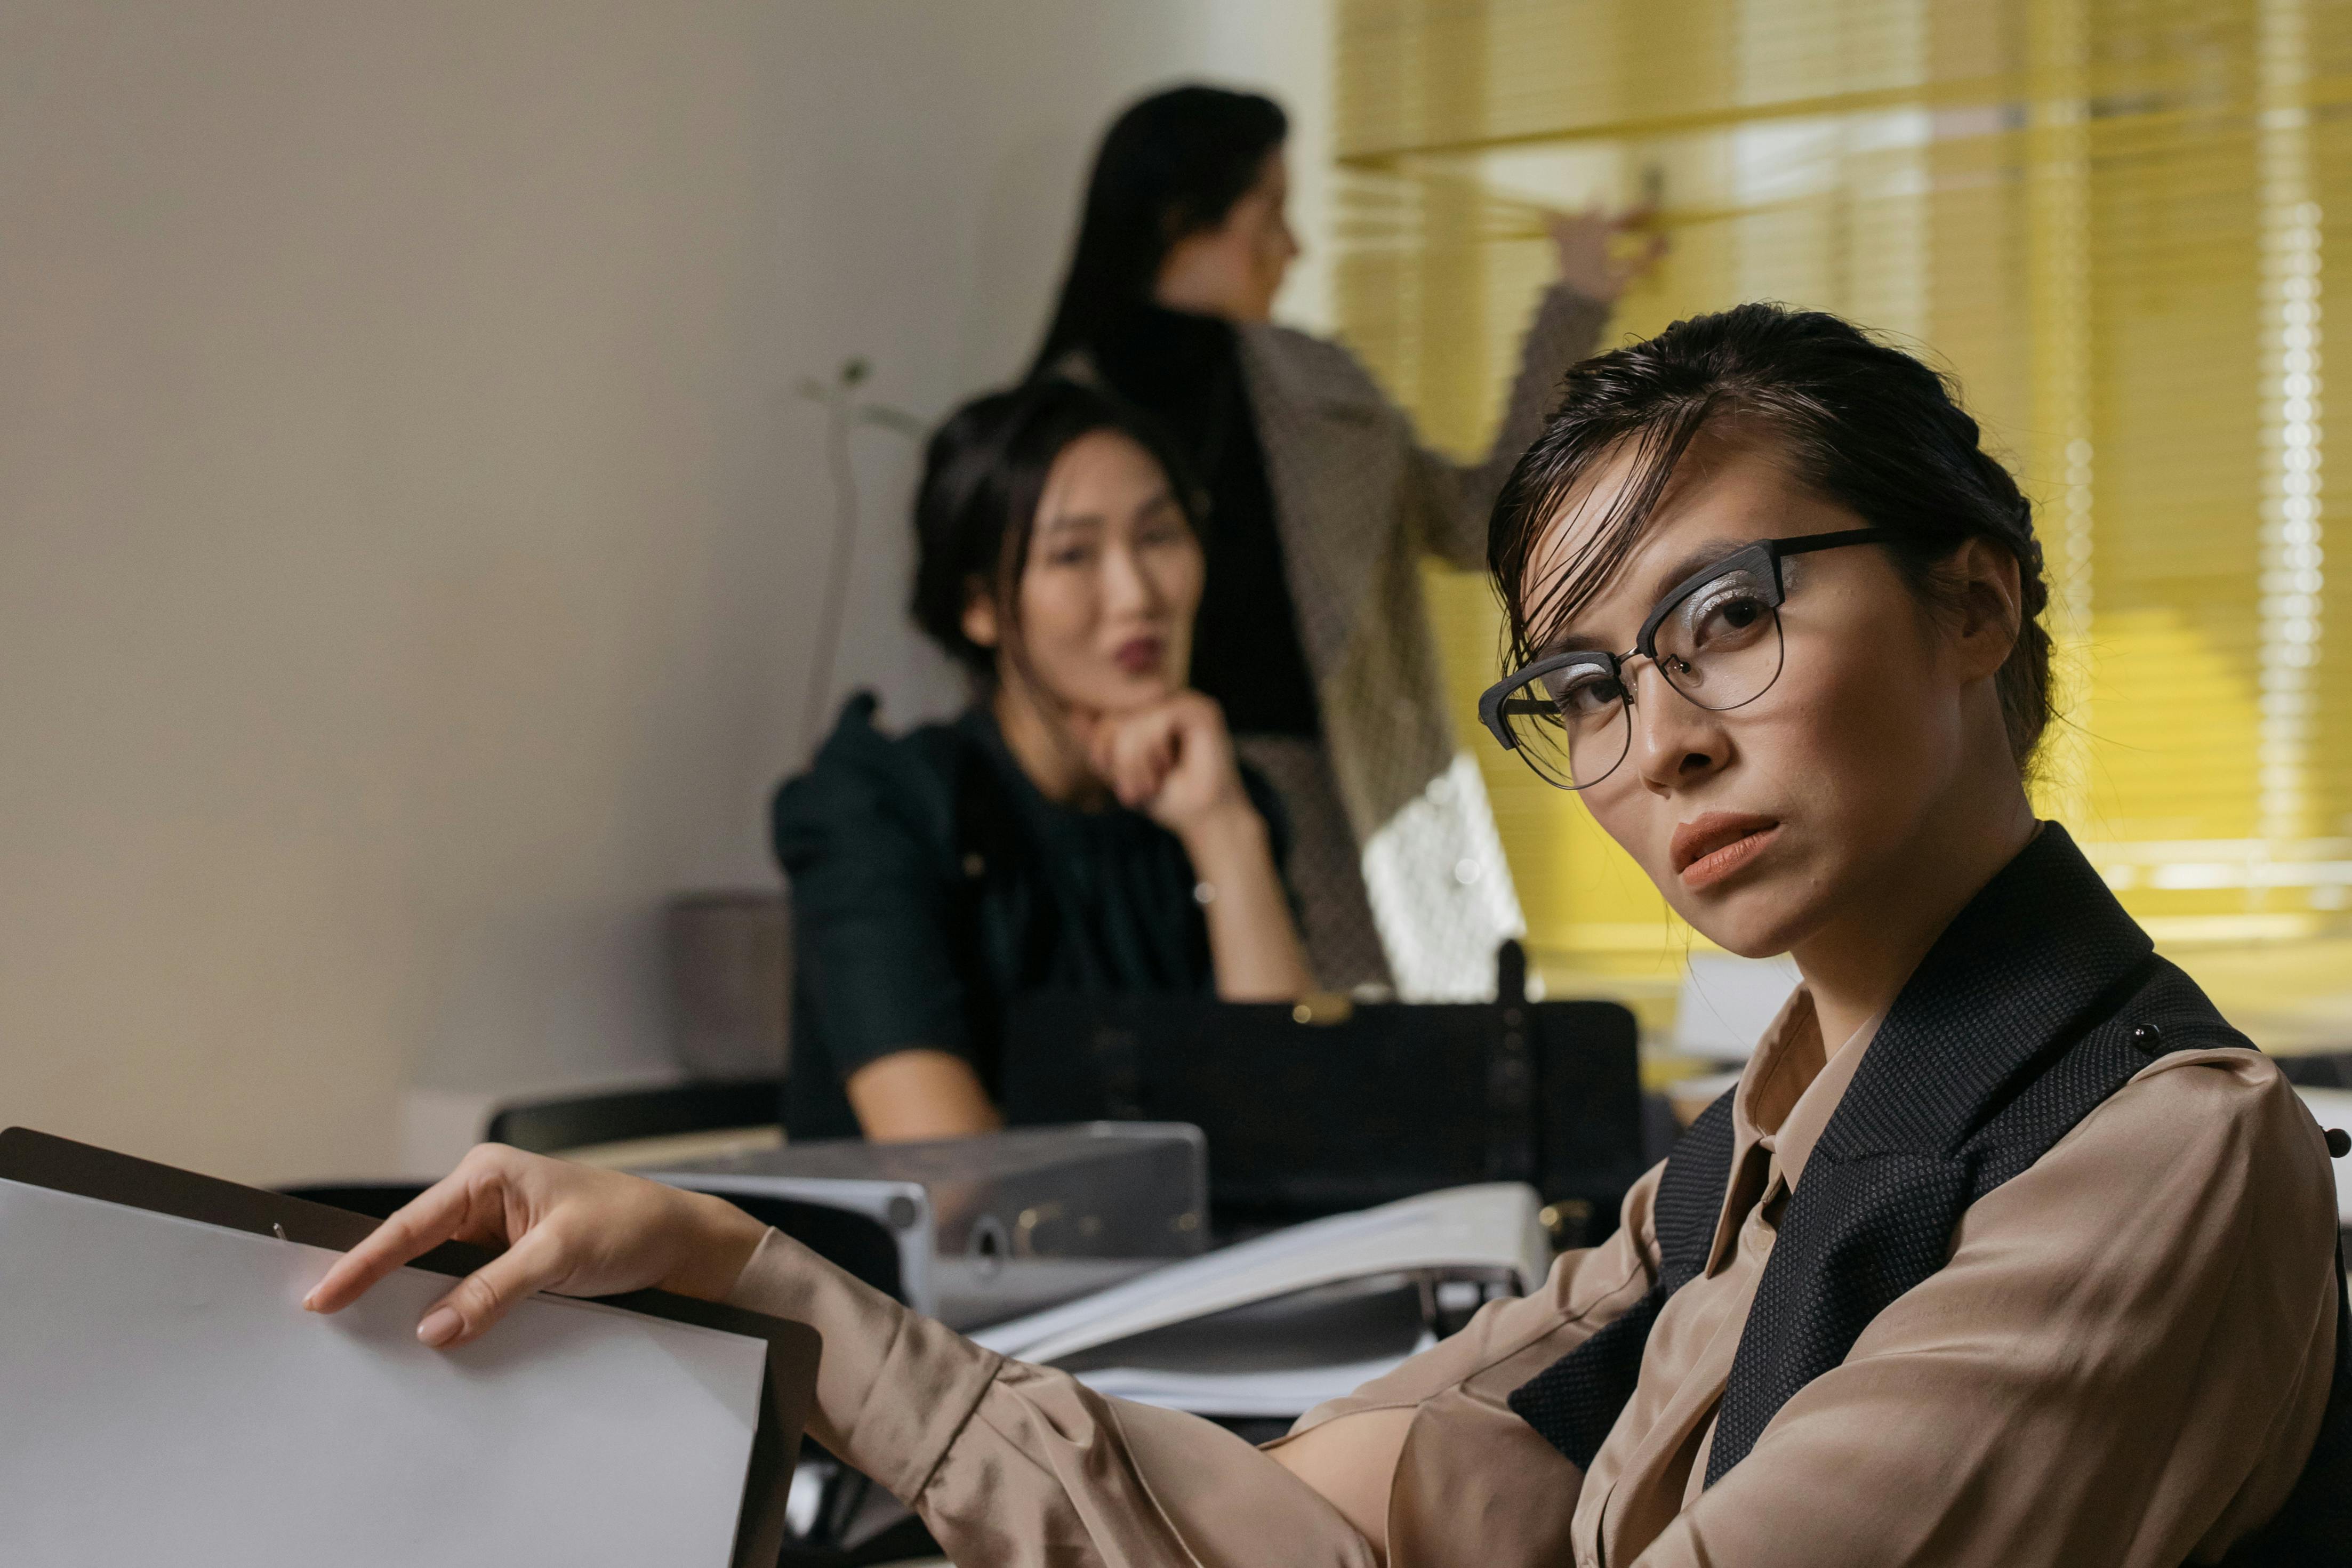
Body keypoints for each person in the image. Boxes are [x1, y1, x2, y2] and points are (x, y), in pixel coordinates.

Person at [309, 305, 2348, 1566]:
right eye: (1588, 691)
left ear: (1975, 602)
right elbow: (1310, 1503)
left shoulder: (2143, 1153)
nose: (1663, 750)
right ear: (975, 606)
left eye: (1729, 617)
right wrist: (739, 1264)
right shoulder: (1744, 1148)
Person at [1032, 84, 1661, 996]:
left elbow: (1489, 514)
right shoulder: (1040, 433)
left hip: (1343, 810)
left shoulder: (1318, 393)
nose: (1295, 248)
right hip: (1119, 814)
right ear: (1181, 216)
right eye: (1273, 214)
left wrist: (1575, 306)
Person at [772, 378, 1313, 1143]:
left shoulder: (1222, 793)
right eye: (1072, 554)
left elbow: (1296, 1127)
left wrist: (1224, 829)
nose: (1135, 594)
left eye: (1159, 536)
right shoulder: (882, 806)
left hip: (1205, 1262)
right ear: (980, 606)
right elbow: (954, 1182)